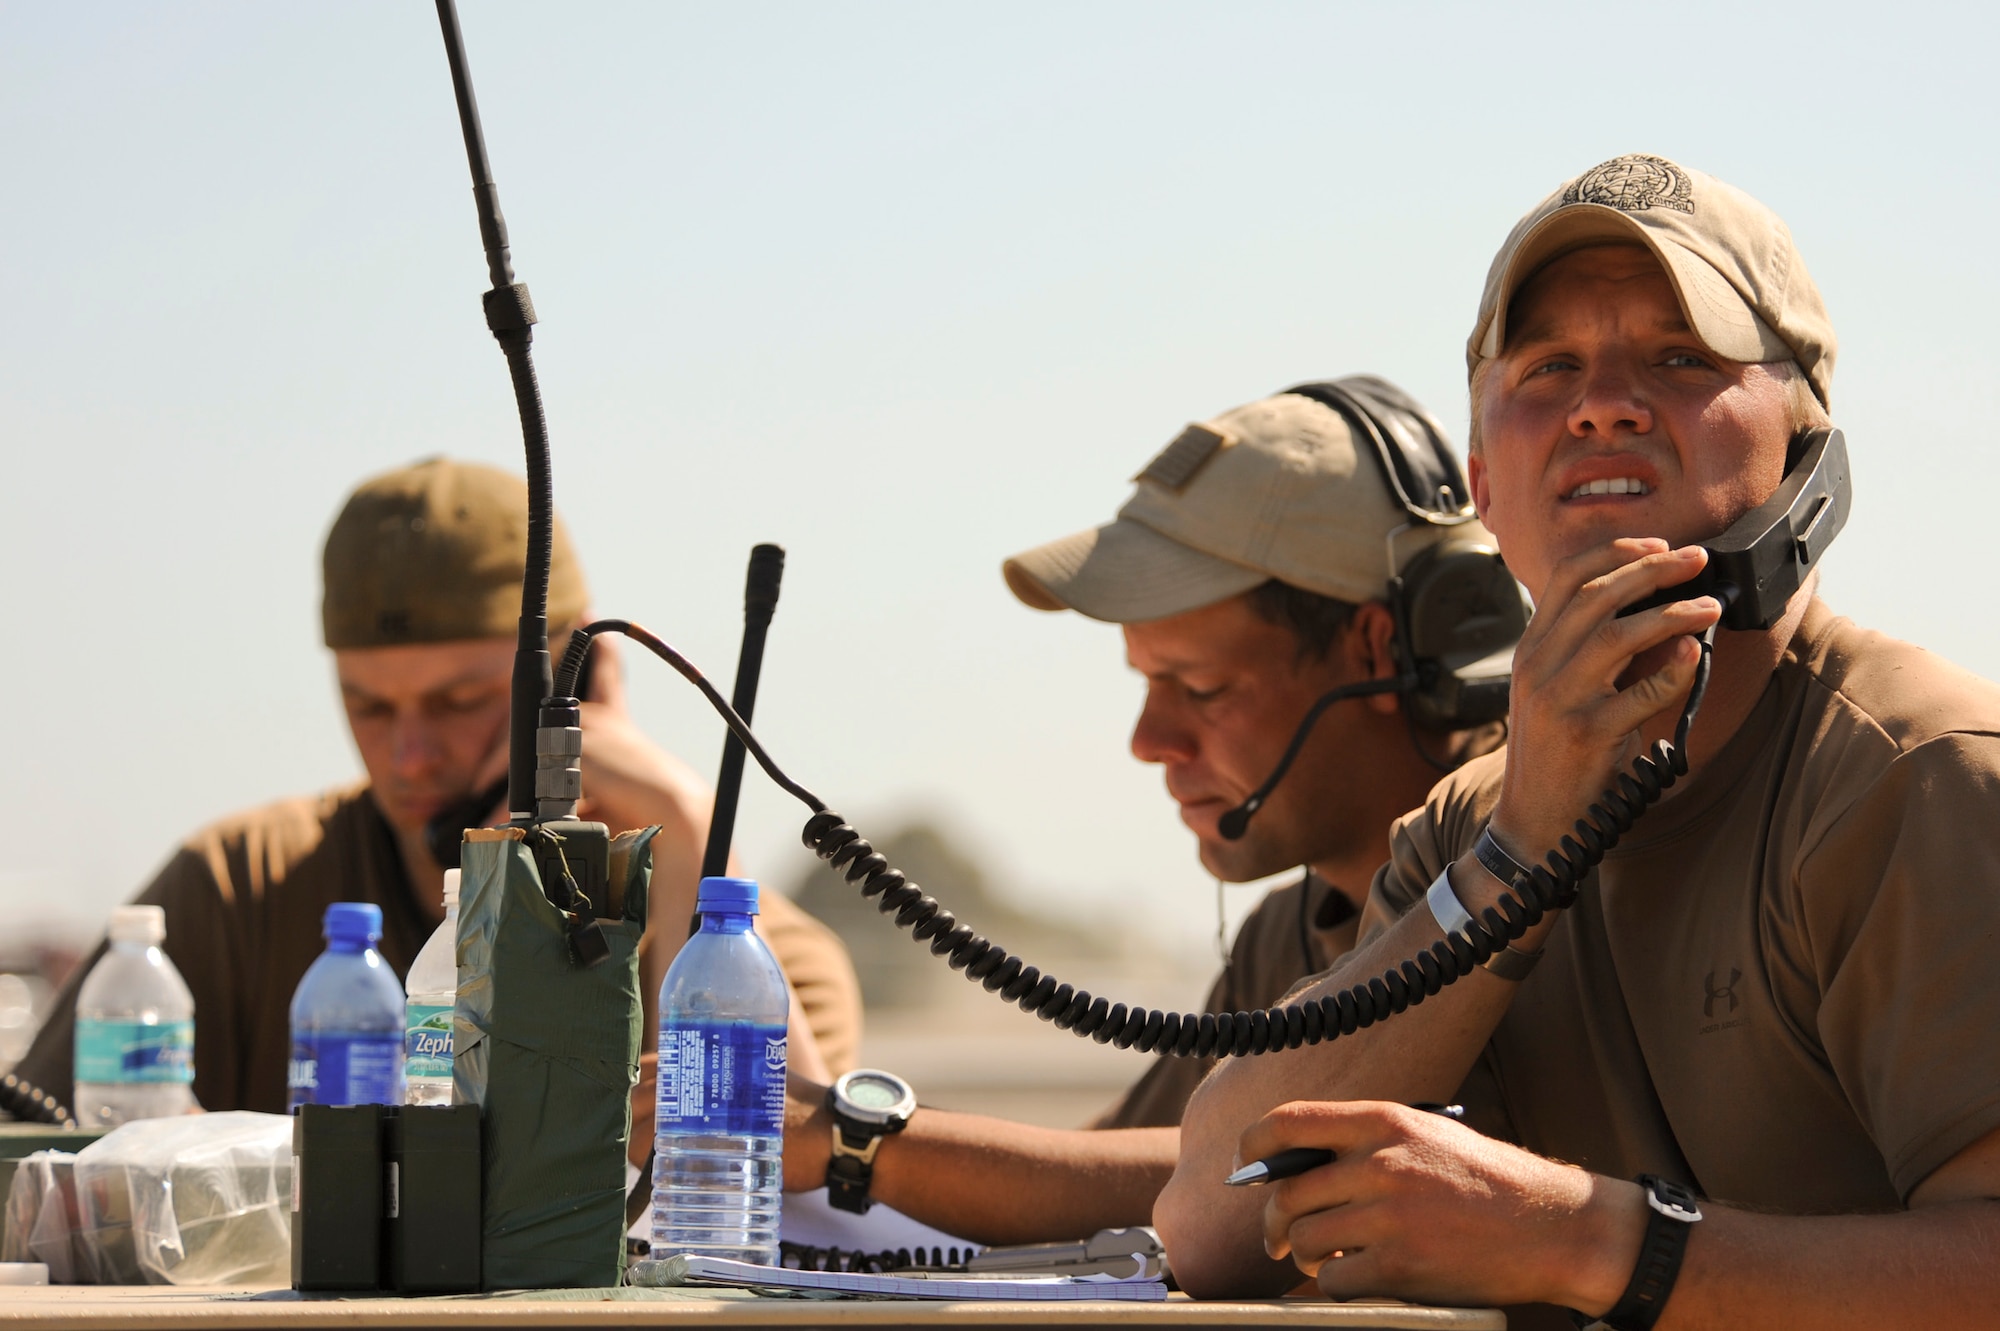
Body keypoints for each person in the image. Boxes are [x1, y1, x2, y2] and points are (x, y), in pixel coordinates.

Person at [1157, 155, 2000, 1327]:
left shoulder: (1918, 773)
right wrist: (1522, 847)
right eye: (1548, 367)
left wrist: (1591, 1242)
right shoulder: (1474, 823)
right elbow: (1206, 1219)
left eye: (1679, 359)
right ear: (1482, 485)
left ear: (1806, 454)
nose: (1603, 402)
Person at [781, 382, 1516, 1244]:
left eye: (1202, 688)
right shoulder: (1286, 937)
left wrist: (861, 1141)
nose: (1149, 739)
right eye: (1148, 684)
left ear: (1385, 648)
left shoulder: (1538, 868)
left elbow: (1223, 1186)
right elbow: (1103, 1178)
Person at [14, 458, 862, 1125]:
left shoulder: (770, 965)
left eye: (459, 703)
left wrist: (684, 824)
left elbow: (773, 1178)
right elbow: (37, 1151)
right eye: (369, 705)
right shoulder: (237, 889)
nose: (410, 755)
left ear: (580, 685)